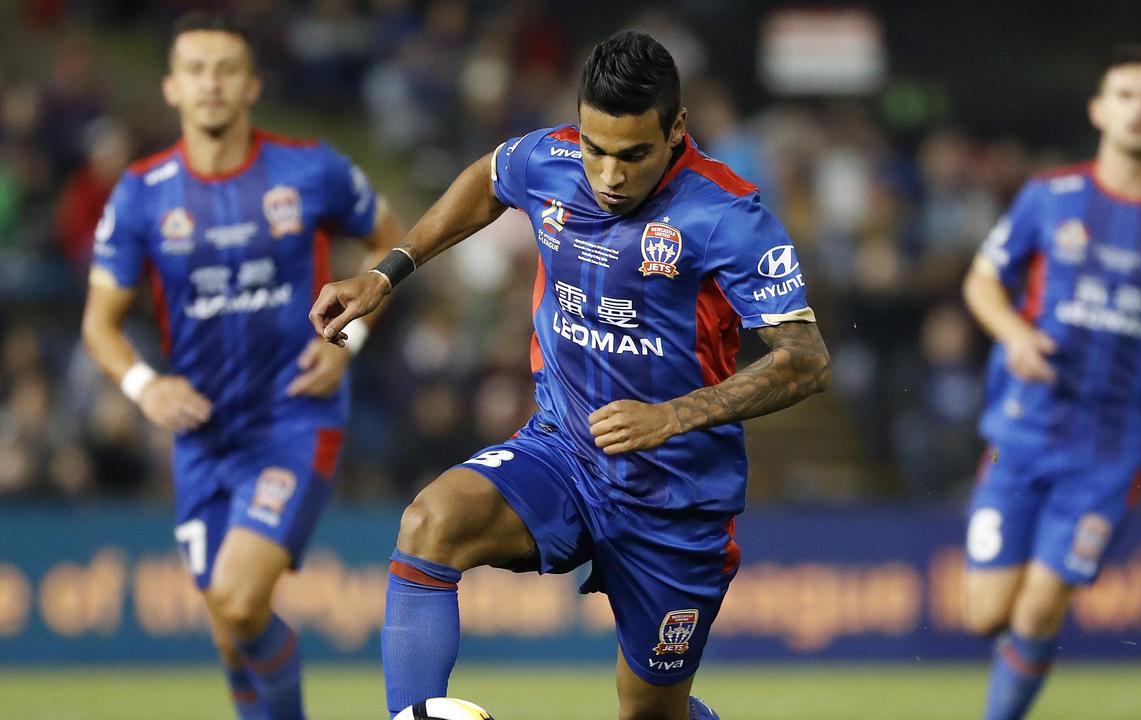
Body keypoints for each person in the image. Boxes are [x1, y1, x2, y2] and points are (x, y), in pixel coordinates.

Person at [310, 30, 831, 720]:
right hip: (564, 450)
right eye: (596, 149)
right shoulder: (549, 158)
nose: (609, 175)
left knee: (649, 712)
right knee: (431, 521)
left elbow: (806, 360)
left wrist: (675, 415)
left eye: (633, 154)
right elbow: (487, 179)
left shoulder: (727, 216)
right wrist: (388, 270)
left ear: (677, 129)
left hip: (675, 496)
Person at [80, 12, 401, 720]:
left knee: (237, 595)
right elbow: (99, 324)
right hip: (201, 434)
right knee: (234, 629)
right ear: (171, 87)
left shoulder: (310, 167)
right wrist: (145, 385)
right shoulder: (141, 192)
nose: (211, 83)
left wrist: (351, 339)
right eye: (196, 69)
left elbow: (391, 242)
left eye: (227, 69)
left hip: (295, 414)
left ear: (253, 84)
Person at [960, 45, 1141, 720]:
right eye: (1126, 95)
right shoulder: (1050, 198)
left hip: (1113, 447)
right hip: (1023, 429)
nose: (1138, 110)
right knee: (985, 614)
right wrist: (1016, 335)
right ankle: (1018, 649)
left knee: (1044, 603)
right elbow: (983, 281)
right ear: (1100, 110)